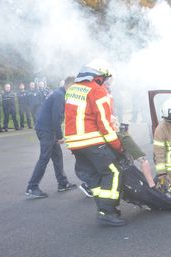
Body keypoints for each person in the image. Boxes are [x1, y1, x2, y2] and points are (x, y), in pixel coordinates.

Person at [64, 59, 127, 226]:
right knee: (113, 172)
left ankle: (104, 208)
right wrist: (119, 147)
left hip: (75, 143)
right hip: (91, 140)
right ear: (98, 76)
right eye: (104, 78)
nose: (105, 81)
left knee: (96, 177)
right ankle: (107, 212)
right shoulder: (97, 91)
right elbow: (105, 125)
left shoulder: (74, 89)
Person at [25, 76, 77, 198]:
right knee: (44, 158)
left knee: (57, 156)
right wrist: (60, 136)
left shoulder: (59, 92)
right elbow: (55, 118)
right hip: (46, 129)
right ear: (69, 85)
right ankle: (32, 187)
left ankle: (62, 183)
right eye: (75, 87)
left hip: (48, 128)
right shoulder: (59, 95)